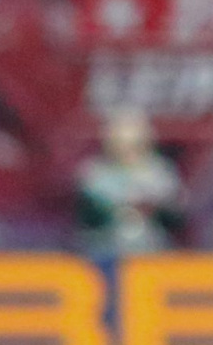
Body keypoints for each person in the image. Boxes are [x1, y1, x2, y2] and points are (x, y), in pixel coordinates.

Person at [75, 107, 184, 255]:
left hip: (154, 251)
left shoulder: (161, 174)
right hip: (105, 251)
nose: (127, 151)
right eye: (120, 144)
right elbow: (88, 216)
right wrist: (113, 211)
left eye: (134, 144)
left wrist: (153, 209)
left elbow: (175, 217)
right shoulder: (95, 174)